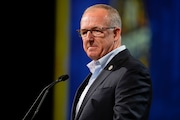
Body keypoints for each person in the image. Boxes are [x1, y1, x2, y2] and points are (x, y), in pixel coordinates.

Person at [71, 4, 152, 120]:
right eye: (84, 32)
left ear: (115, 33)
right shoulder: (97, 72)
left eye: (96, 30)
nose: (88, 38)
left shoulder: (132, 72)